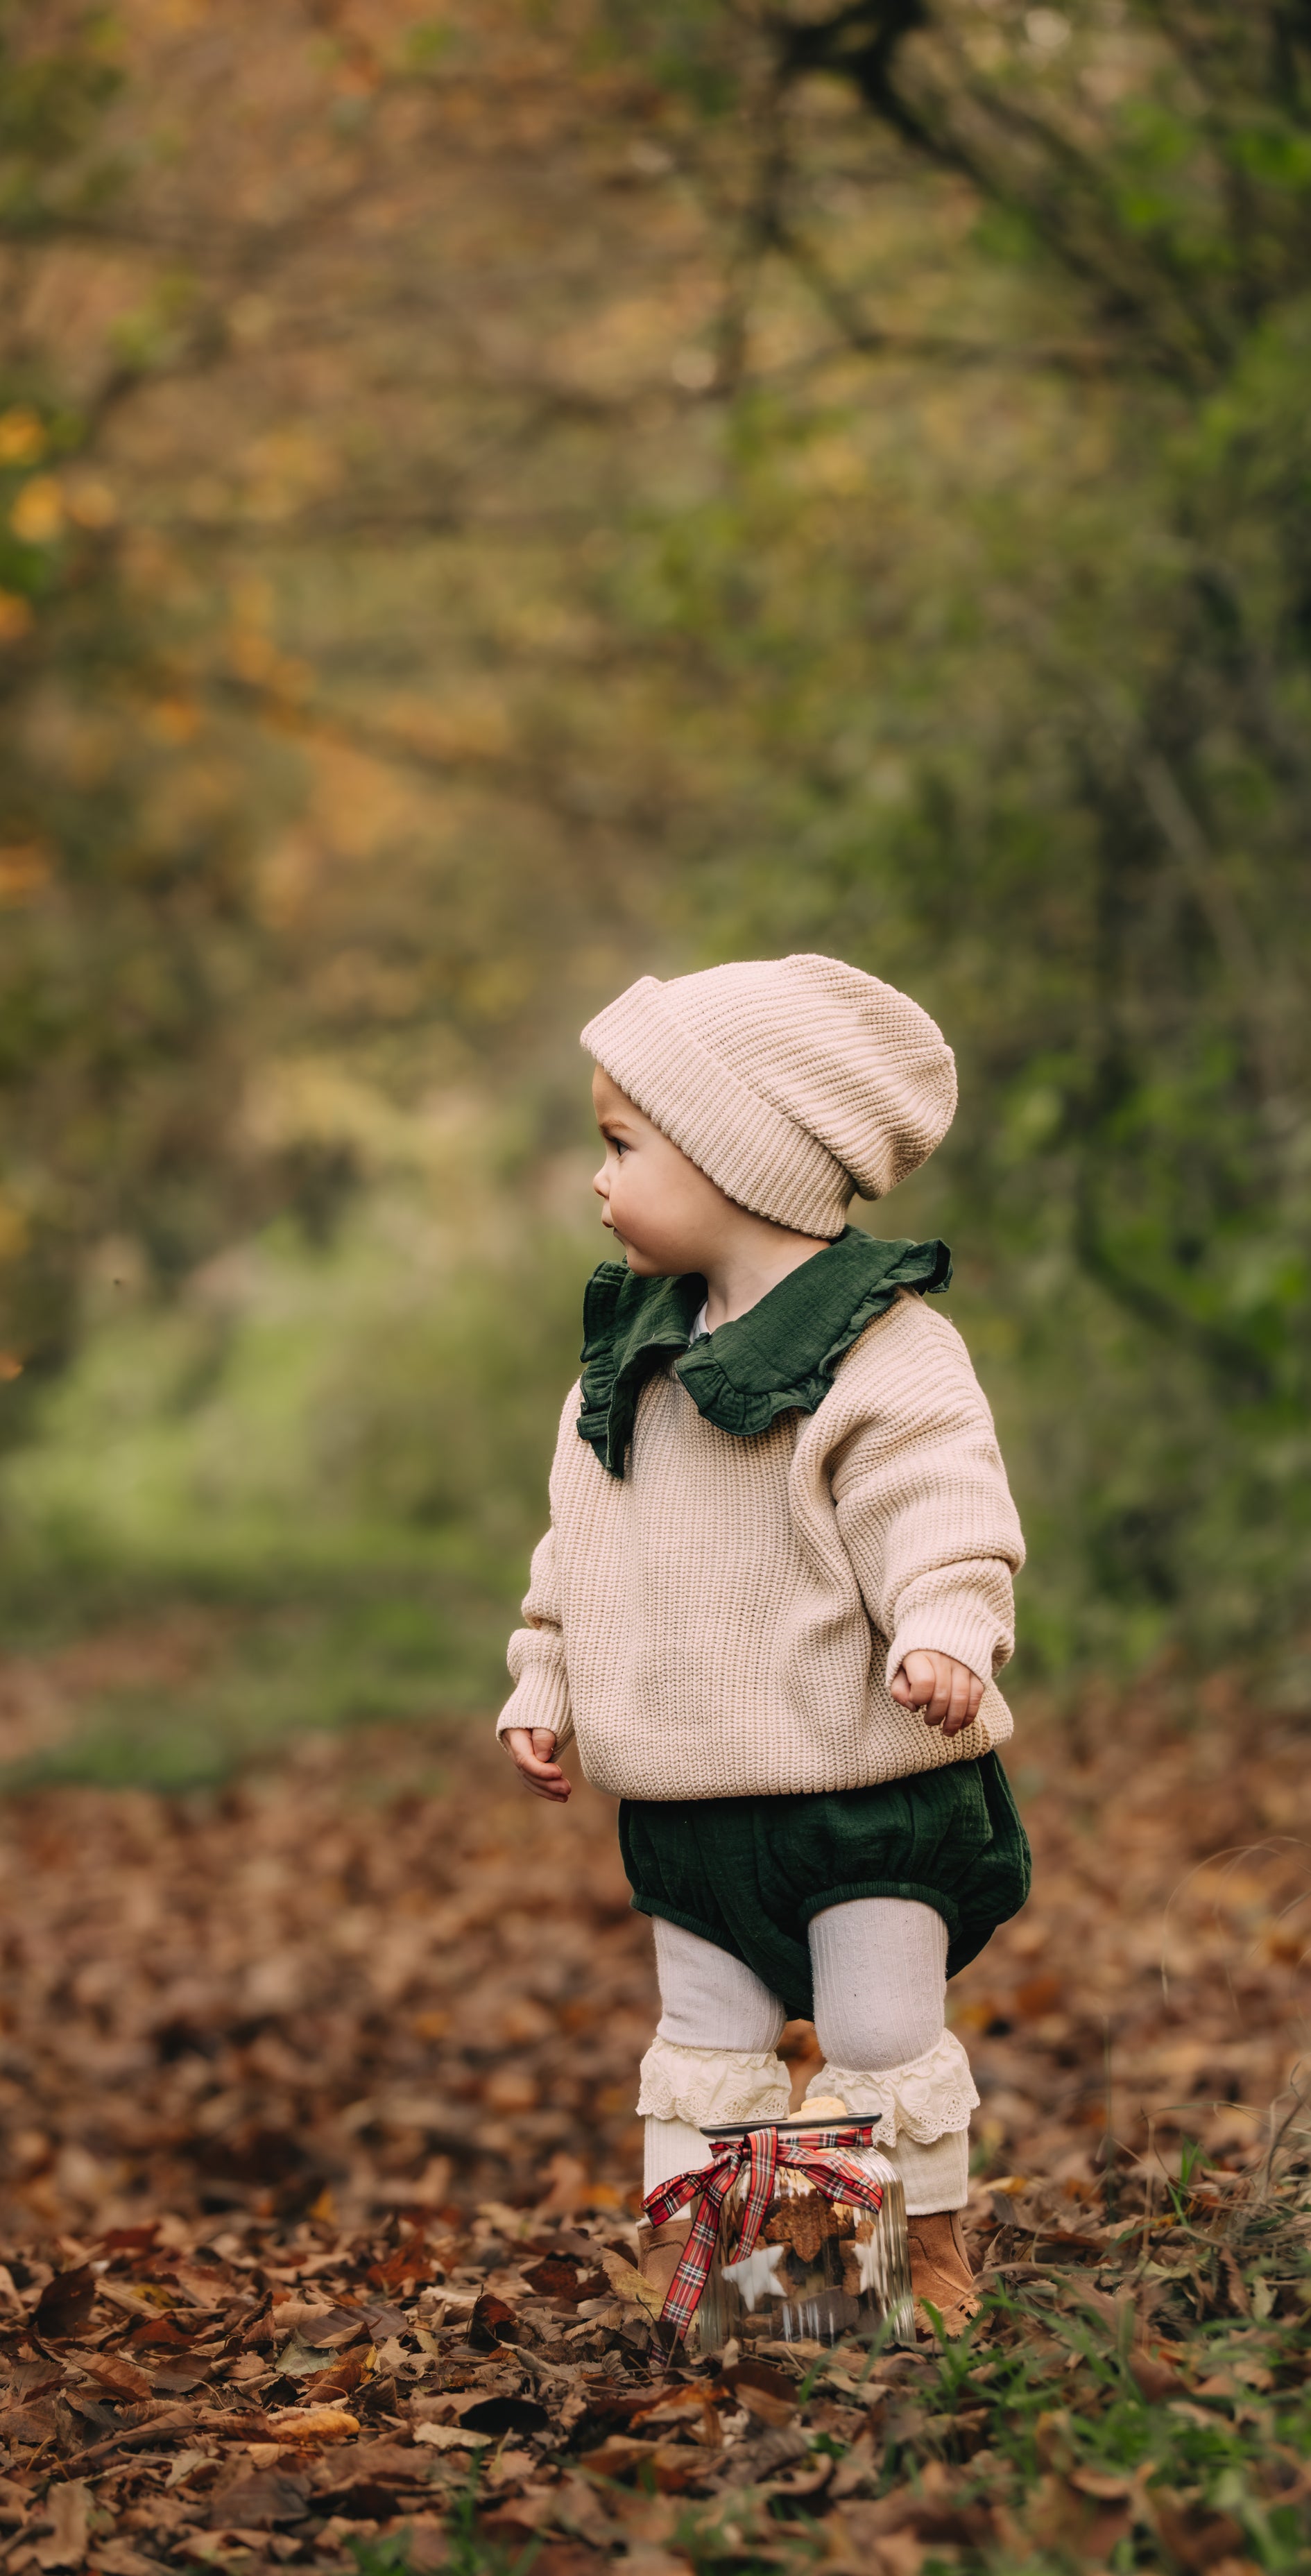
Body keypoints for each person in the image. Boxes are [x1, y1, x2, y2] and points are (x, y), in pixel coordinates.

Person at [496, 953, 1030, 2329]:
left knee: (874, 2039)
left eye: (623, 1144)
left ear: (741, 1159)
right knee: (704, 2044)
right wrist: (542, 1676)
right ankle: (721, 2277)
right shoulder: (623, 1364)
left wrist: (947, 1626)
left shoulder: (883, 1353)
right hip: (689, 1797)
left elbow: (943, 1509)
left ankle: (919, 2257)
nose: (599, 1179)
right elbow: (578, 1548)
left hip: (867, 1790)